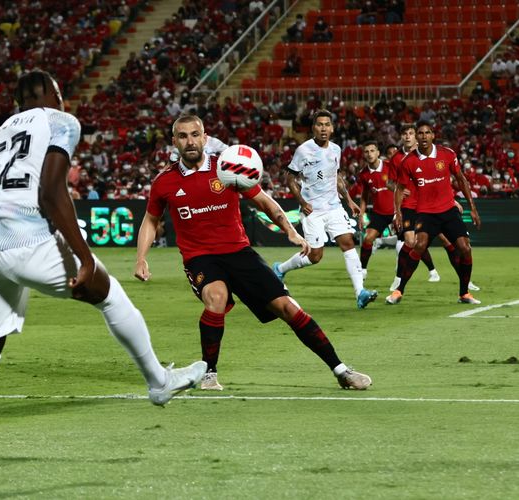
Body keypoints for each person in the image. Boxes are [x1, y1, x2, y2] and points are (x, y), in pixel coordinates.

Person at [0, 71, 206, 484]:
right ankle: (159, 382)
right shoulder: (60, 121)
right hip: (30, 238)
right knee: (109, 296)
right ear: (54, 94)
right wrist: (83, 257)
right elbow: (51, 191)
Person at [135, 114, 371, 392]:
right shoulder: (164, 182)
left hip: (239, 252)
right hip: (200, 257)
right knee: (217, 297)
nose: (190, 141)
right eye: (183, 136)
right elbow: (151, 220)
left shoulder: (228, 167)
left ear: (204, 137)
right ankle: (209, 373)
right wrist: (141, 258)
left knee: (288, 308)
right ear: (174, 141)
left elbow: (264, 201)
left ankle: (341, 370)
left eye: (195, 135)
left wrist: (290, 230)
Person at [272, 110, 378, 309]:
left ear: (332, 128)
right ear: (313, 128)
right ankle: (281, 268)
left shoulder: (336, 149)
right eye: (319, 124)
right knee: (315, 256)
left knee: (347, 242)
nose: (323, 128)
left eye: (327, 124)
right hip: (313, 211)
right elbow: (290, 178)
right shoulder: (304, 150)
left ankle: (360, 293)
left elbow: (336, 176)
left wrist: (348, 200)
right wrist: (302, 202)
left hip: (334, 206)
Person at [386, 121, 481, 305]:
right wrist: (398, 213)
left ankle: (464, 293)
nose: (423, 136)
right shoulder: (408, 161)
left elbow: (461, 179)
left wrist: (473, 207)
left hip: (448, 210)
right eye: (420, 133)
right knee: (418, 245)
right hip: (425, 212)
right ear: (417, 137)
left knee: (464, 248)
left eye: (427, 132)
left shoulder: (447, 154)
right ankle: (399, 290)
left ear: (433, 135)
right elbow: (399, 188)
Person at [357, 141, 395, 278]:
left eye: (372, 151)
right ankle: (363, 270)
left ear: (378, 153)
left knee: (409, 240)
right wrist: (361, 214)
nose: (369, 154)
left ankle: (431, 271)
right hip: (379, 213)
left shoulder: (391, 167)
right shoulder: (364, 174)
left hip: (397, 211)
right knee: (368, 239)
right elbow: (364, 196)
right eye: (366, 151)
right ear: (364, 155)